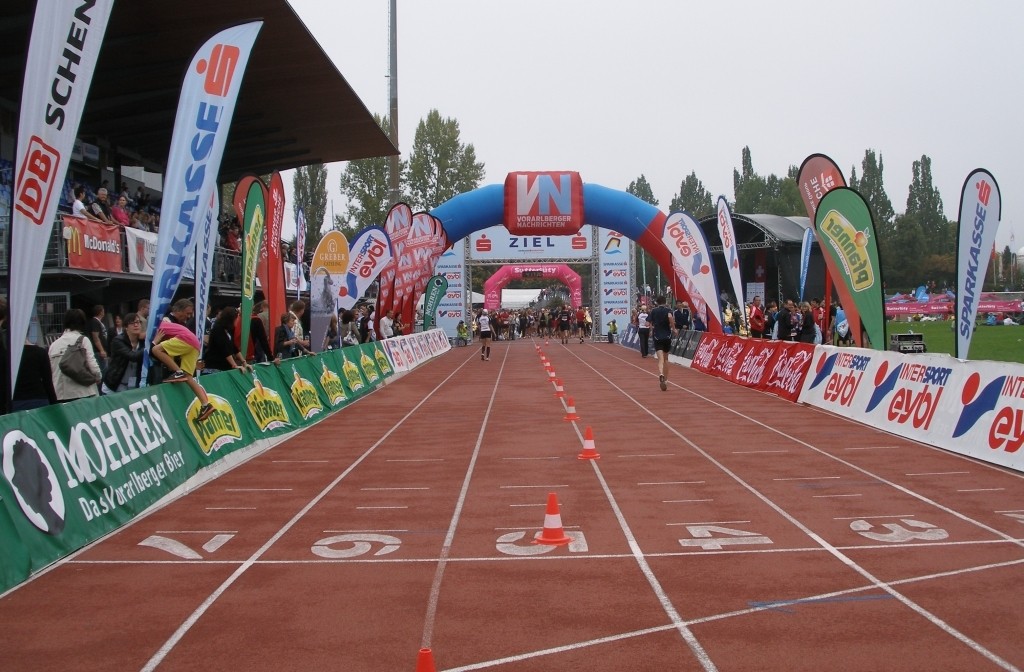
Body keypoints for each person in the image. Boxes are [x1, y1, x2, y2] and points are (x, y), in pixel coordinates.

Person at [150, 320, 215, 421]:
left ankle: (179, 372)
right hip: (195, 343)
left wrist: (153, 342)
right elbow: (169, 356)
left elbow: (142, 336)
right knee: (188, 377)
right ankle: (206, 405)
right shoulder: (169, 326)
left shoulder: (155, 327)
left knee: (155, 349)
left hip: (185, 339)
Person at [48, 308, 101, 402]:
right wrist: (98, 377)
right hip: (83, 393)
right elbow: (92, 365)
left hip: (61, 394)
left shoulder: (53, 345)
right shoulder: (83, 340)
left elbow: (52, 371)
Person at [101, 312, 144, 394]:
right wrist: (151, 344)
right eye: (132, 323)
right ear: (126, 327)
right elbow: (133, 356)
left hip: (133, 386)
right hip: (114, 386)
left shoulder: (143, 342)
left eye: (138, 322)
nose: (136, 325)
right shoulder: (118, 341)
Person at [13, 337, 58, 411]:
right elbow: (47, 382)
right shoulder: (40, 352)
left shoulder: (9, 354)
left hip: (16, 401)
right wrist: (54, 405)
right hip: (39, 400)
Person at [203, 307, 249, 373]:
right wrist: (234, 365)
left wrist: (244, 362)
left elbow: (233, 347)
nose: (238, 320)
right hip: (215, 366)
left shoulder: (228, 329)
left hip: (224, 366)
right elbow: (224, 349)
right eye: (237, 318)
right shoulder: (218, 329)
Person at [648, 296, 677, 391]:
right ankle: (666, 380)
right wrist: (674, 329)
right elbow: (670, 318)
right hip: (667, 336)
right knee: (666, 359)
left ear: (657, 302)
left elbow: (648, 322)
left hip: (657, 336)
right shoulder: (668, 310)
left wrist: (651, 330)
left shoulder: (654, 311)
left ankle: (661, 373)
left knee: (660, 359)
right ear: (665, 302)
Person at [88, 305, 109, 379]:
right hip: (98, 352)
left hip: (101, 350)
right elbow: (95, 337)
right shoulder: (95, 322)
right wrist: (101, 350)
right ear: (101, 312)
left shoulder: (98, 322)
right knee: (103, 371)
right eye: (103, 310)